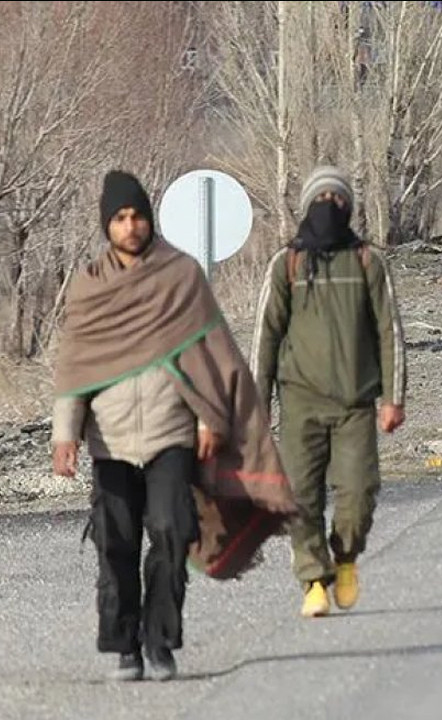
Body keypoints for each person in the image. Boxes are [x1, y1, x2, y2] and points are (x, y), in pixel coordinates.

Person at [52, 170, 295, 682]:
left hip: (171, 435)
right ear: (107, 225)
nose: (130, 225)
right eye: (120, 218)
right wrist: (65, 436)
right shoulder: (89, 288)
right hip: (111, 441)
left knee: (170, 531)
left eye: (137, 215)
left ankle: (160, 642)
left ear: (149, 219)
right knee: (114, 542)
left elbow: (211, 356)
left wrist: (210, 418)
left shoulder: (180, 276)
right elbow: (74, 368)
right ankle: (125, 645)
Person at [253, 166, 408, 619]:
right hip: (300, 402)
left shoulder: (367, 261)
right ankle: (313, 581)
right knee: (299, 498)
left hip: (357, 403)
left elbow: (389, 331)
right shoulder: (287, 263)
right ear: (306, 207)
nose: (329, 207)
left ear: (349, 208)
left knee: (358, 494)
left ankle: (345, 558)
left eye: (337, 200)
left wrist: (392, 398)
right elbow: (265, 337)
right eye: (321, 199)